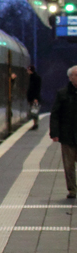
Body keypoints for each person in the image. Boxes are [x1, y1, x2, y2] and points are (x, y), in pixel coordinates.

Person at [50, 65, 77, 198]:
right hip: (68, 135)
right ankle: (72, 189)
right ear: (70, 78)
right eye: (76, 75)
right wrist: (54, 133)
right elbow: (55, 114)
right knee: (69, 164)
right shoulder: (63, 94)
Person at [27, 65, 42, 129]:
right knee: (33, 111)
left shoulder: (36, 78)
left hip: (34, 97)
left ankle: (35, 124)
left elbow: (37, 88)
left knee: (34, 111)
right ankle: (35, 123)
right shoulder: (32, 77)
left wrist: (36, 97)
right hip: (31, 97)